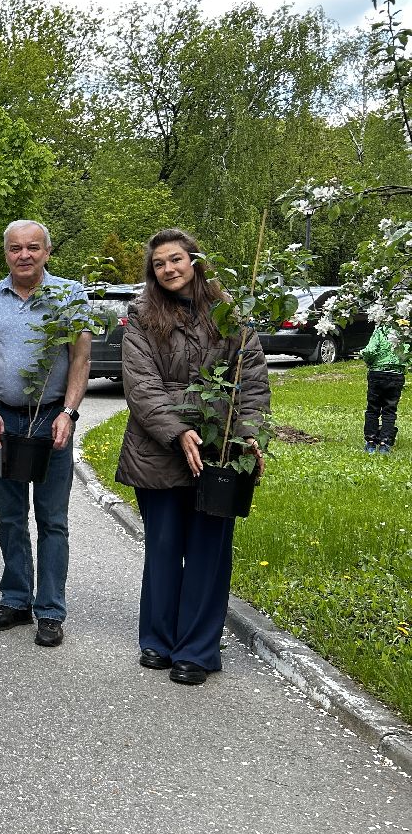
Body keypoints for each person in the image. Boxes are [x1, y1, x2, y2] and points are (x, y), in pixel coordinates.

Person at [116, 228, 270, 686]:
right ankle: (158, 640)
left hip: (220, 449)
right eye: (159, 263)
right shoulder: (142, 315)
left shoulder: (231, 314)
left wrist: (248, 437)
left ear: (195, 261)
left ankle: (197, 651)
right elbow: (141, 385)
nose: (169, 269)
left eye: (176, 259)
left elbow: (252, 383)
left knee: (208, 551)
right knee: (163, 547)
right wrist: (178, 430)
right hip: (156, 450)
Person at [0, 219, 90, 648]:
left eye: (33, 247)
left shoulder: (69, 295)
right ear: (6, 253)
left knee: (52, 519)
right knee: (10, 517)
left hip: (53, 418)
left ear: (47, 252)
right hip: (5, 420)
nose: (24, 255)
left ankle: (50, 610)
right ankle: (17, 599)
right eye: (15, 248)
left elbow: (80, 359)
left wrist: (69, 413)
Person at [362, 319, 410, 454]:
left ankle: (370, 442)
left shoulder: (381, 330)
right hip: (396, 375)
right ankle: (385, 443)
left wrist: (369, 362)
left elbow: (370, 350)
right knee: (390, 409)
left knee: (372, 408)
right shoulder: (406, 332)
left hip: (377, 373)